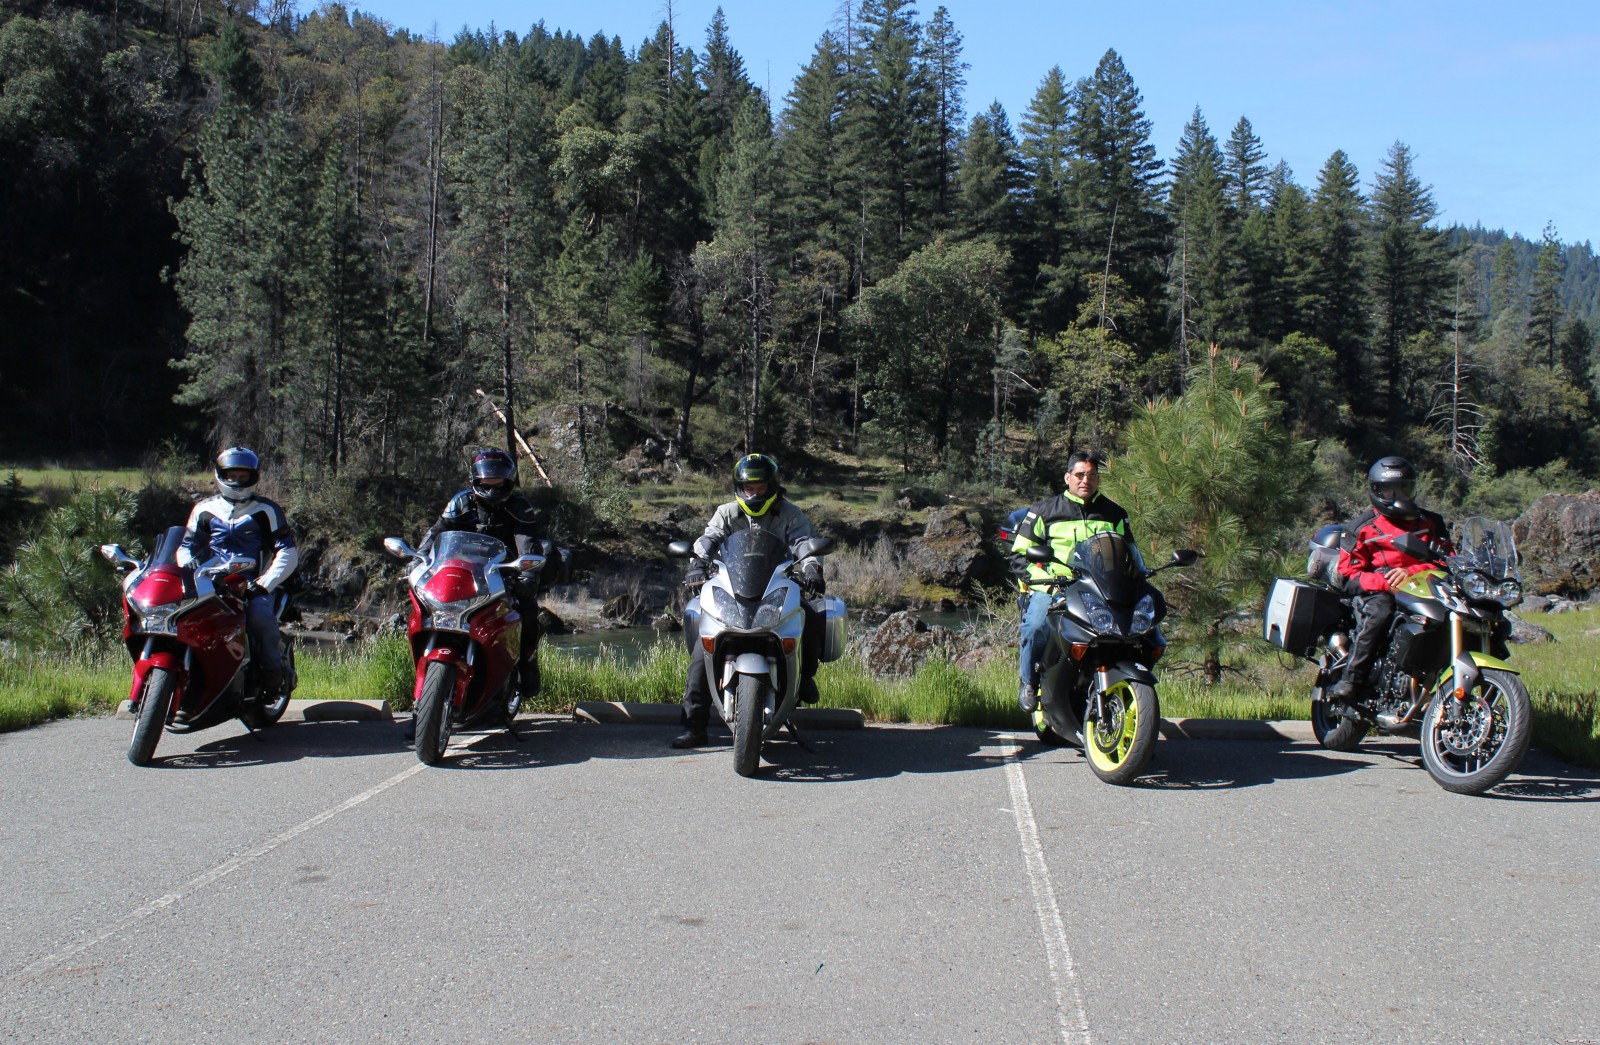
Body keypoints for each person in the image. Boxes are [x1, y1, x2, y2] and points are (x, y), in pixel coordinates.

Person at [672, 453, 826, 749]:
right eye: (748, 488)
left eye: (760, 488)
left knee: (807, 615)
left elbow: (804, 544)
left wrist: (811, 569)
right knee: (703, 650)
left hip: (776, 586)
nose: (754, 494)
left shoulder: (791, 514)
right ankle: (694, 727)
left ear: (772, 487)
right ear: (739, 488)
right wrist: (697, 563)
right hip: (732, 589)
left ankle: (805, 676)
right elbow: (709, 538)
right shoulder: (726, 512)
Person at [421, 447, 549, 708]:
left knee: (527, 610)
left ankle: (527, 661)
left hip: (504, 574)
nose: (491, 489)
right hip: (461, 572)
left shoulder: (519, 507)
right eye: (486, 482)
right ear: (474, 479)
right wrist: (419, 558)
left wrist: (527, 576)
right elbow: (436, 533)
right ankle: (427, 693)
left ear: (509, 481)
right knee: (424, 607)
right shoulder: (460, 503)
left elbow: (528, 542)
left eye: (498, 482)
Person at [1010, 451, 1135, 713]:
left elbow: (1129, 555)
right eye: (1080, 474)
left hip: (1099, 589)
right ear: (1068, 477)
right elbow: (1020, 556)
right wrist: (1044, 582)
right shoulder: (1044, 511)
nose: (1085, 480)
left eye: (1091, 475)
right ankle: (1029, 682)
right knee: (1036, 625)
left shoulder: (1114, 514)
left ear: (1098, 479)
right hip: (1055, 586)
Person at [1326, 456, 1453, 703]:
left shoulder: (1431, 522)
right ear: (1376, 491)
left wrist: (1412, 571)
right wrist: (1385, 583)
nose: (1398, 495)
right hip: (1379, 591)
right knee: (1380, 610)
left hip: (1424, 587)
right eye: (1390, 490)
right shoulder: (1361, 527)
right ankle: (1351, 680)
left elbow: (1448, 560)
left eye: (1404, 488)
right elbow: (1348, 575)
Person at [179, 447, 300, 698]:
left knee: (259, 616)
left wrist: (264, 583)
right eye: (232, 475)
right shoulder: (204, 509)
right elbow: (186, 547)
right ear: (221, 475)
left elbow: (287, 551)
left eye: (243, 476)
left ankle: (273, 673)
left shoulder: (266, 510)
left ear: (253, 477)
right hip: (210, 583)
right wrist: (189, 569)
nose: (237, 481)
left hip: (251, 584)